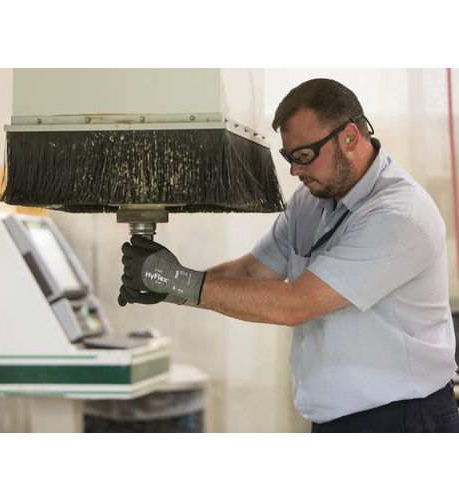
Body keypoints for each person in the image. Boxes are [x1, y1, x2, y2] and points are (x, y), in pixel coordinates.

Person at [118, 78, 459, 433]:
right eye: (288, 158)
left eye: (304, 156)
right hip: (336, 420)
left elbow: (296, 304)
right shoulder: (309, 201)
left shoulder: (398, 216)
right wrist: (169, 286)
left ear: (349, 138)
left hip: (403, 420)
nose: (294, 171)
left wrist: (175, 280)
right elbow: (252, 272)